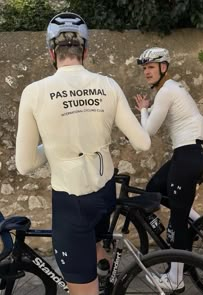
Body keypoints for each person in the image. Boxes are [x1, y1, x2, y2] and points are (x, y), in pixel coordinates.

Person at [15, 12, 151, 295]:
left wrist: (52, 147)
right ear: (85, 50)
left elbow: (25, 164)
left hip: (71, 203)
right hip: (103, 194)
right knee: (98, 247)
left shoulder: (34, 92)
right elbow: (143, 144)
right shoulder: (108, 85)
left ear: (52, 51)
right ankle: (109, 278)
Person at [135, 47, 203, 291]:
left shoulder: (167, 92)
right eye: (144, 68)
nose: (146, 72)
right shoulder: (173, 88)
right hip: (191, 155)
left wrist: (143, 110)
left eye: (151, 67)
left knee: (177, 221)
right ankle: (198, 221)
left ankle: (175, 280)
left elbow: (147, 133)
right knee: (153, 190)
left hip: (187, 157)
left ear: (163, 68)